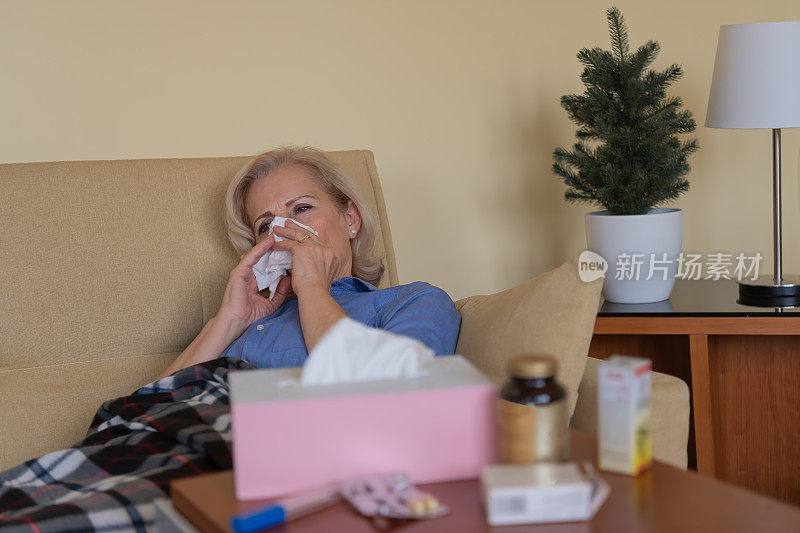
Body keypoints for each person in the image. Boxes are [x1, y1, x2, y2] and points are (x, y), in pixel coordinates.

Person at [158, 146, 460, 378]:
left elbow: (395, 401)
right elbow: (143, 409)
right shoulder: (242, 323)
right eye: (266, 226)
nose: (284, 231)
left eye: (302, 208)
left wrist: (313, 288)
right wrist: (229, 321)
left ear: (351, 218)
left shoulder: (413, 301)